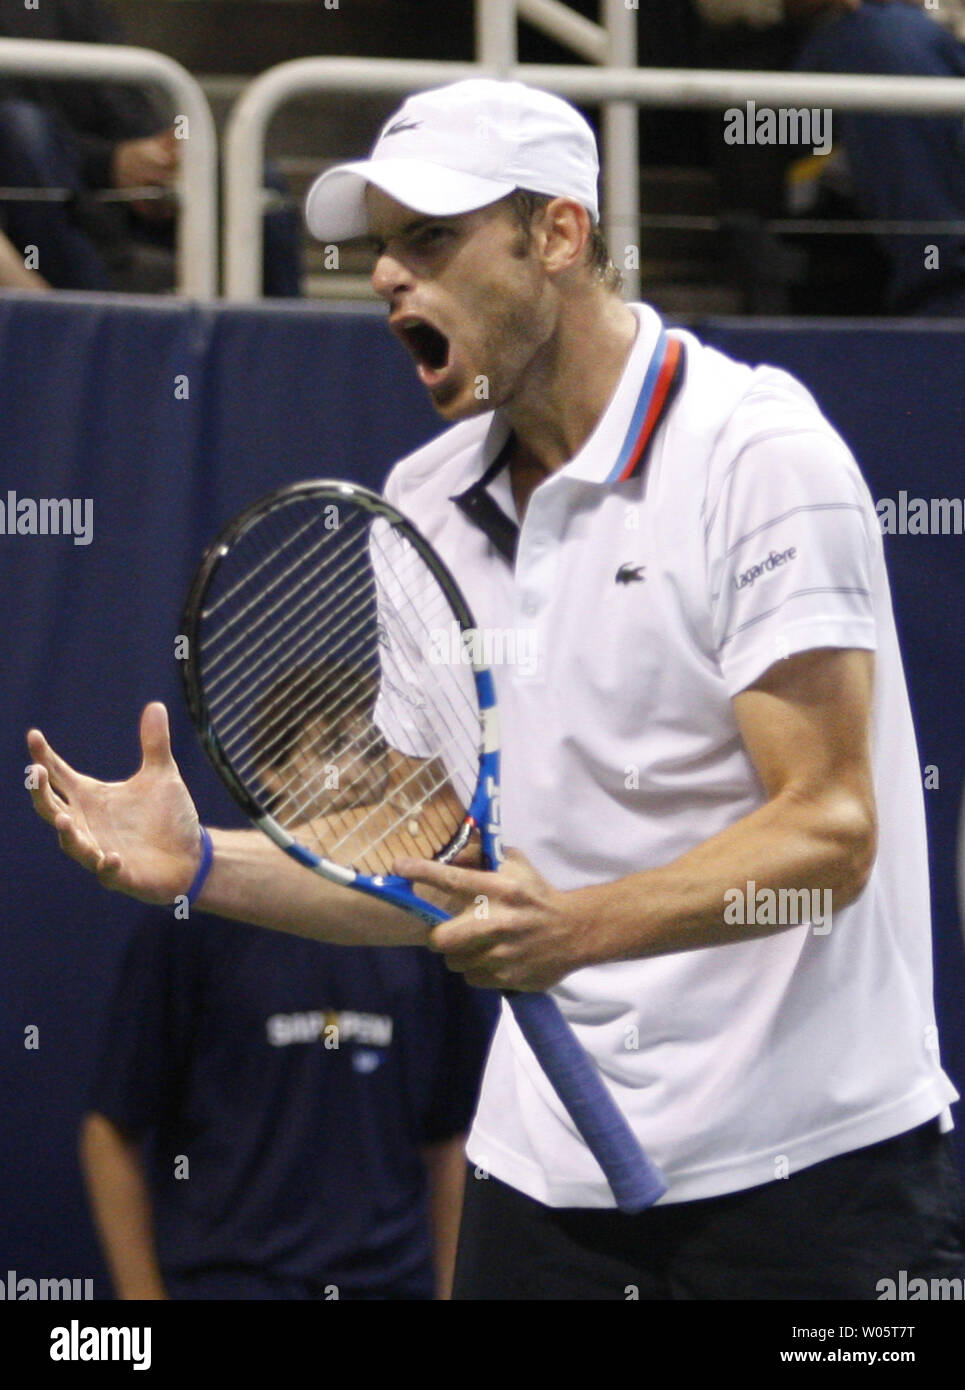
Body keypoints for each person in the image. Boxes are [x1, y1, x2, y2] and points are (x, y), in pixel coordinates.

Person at [27, 79, 964, 1300]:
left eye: (428, 238)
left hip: (812, 1177)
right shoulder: (416, 506)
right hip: (545, 1186)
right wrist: (199, 861)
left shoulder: (757, 454)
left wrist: (572, 928)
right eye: (379, 248)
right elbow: (431, 870)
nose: (383, 277)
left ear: (557, 236)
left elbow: (829, 831)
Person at [81, 912, 493, 1301]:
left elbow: (450, 1141)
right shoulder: (195, 911)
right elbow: (111, 1132)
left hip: (389, 1284)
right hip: (229, 1284)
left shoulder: (422, 928)